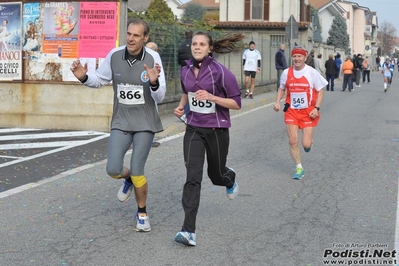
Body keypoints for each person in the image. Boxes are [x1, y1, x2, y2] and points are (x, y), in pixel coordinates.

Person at [69, 18, 166, 232]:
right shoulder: (114, 55)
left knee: (139, 169)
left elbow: (160, 97)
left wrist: (153, 82)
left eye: (136, 35)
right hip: (121, 121)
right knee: (113, 169)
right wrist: (84, 77)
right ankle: (128, 179)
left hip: (145, 123)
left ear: (145, 38)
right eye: (129, 34)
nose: (131, 38)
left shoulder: (153, 58)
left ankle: (142, 214)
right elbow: (100, 80)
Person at [173, 31, 243, 246]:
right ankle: (188, 231)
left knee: (215, 175)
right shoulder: (185, 70)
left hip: (217, 130)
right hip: (194, 129)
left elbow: (236, 103)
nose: (197, 47)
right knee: (193, 178)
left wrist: (212, 97)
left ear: (210, 48)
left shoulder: (221, 73)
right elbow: (188, 91)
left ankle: (228, 177)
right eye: (194, 44)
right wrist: (181, 106)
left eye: (202, 44)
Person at [273, 46, 327, 180]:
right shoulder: (286, 72)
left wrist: (317, 107)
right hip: (291, 111)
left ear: (305, 57)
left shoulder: (312, 72)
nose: (297, 59)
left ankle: (309, 142)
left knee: (306, 144)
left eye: (299, 56)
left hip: (308, 112)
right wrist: (277, 102)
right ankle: (299, 167)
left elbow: (320, 90)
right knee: (292, 140)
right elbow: (282, 88)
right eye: (294, 56)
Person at [146, 42, 161, 148]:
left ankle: (150, 139)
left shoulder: (157, 64)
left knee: (152, 115)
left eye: (151, 50)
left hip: (153, 93)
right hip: (143, 95)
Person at [177, 29, 193, 123]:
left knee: (185, 92)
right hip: (192, 71)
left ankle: (184, 112)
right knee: (192, 93)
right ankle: (186, 114)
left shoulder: (181, 46)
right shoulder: (194, 45)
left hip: (183, 71)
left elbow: (178, 60)